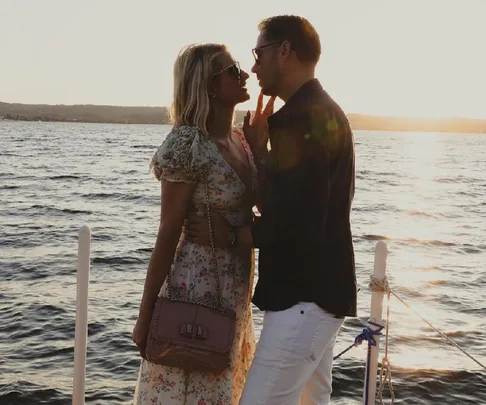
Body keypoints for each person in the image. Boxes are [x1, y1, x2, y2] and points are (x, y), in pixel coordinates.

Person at [185, 15, 357, 405]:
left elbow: (298, 225)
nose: (254, 67)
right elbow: (292, 204)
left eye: (258, 53)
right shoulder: (318, 111)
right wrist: (261, 152)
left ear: (284, 51)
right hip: (320, 295)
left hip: (304, 299)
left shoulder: (302, 118)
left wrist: (227, 235)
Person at [131, 43, 271, 405]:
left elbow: (266, 209)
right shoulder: (188, 142)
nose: (243, 75)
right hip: (194, 285)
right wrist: (145, 317)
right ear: (208, 86)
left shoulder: (242, 139)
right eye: (232, 70)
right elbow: (168, 230)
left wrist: (262, 148)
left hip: (234, 288)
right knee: (189, 381)